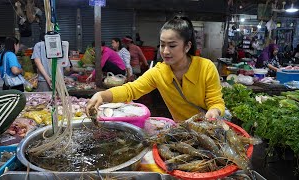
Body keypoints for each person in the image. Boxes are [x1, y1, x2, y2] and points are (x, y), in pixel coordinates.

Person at [86, 15, 225, 122]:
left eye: (172, 45)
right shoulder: (159, 72)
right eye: (162, 45)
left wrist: (214, 110)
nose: (165, 51)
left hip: (209, 129)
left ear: (187, 46)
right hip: (184, 131)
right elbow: (131, 89)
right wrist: (102, 95)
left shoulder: (206, 67)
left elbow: (216, 101)